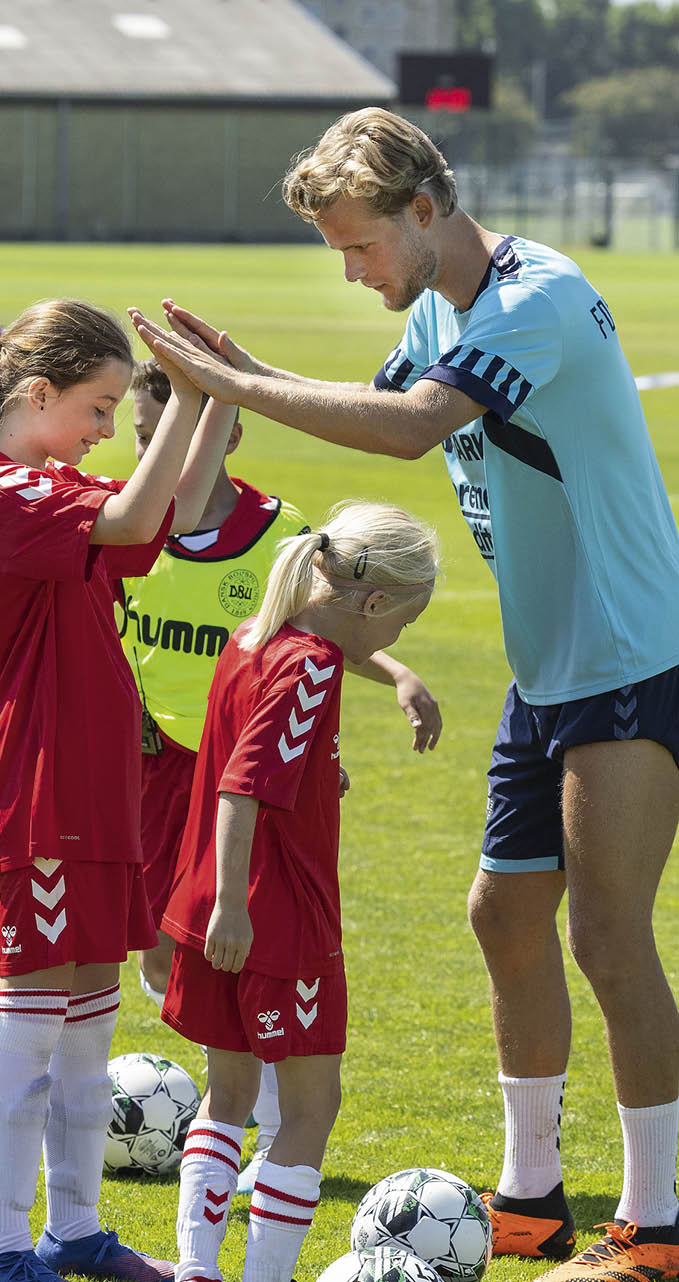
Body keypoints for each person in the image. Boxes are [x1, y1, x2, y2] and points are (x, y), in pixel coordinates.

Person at [129, 106, 679, 1282]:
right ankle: (532, 1196)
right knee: (501, 916)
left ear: (424, 210)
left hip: (631, 654)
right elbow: (374, 403)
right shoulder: (439, 300)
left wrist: (238, 380)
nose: (351, 269)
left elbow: (414, 427)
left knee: (607, 936)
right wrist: (249, 376)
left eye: (358, 243)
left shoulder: (530, 297)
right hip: (549, 666)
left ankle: (655, 1223)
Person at [122, 359, 444, 1194]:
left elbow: (312, 626)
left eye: (178, 435)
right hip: (159, 767)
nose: (158, 456)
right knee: (165, 958)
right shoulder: (129, 529)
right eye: (144, 437)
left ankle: (256, 1123)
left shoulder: (284, 532)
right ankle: (248, 1116)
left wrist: (398, 678)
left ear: (231, 431)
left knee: (220, 950)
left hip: (234, 767)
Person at [0, 299, 236, 1282]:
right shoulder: (12, 490)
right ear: (39, 393)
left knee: (92, 1010)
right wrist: (181, 391)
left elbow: (161, 511)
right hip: (37, 791)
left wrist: (217, 391)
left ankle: (76, 1228)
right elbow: (139, 510)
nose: (106, 430)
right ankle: (8, 1243)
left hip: (97, 788)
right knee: (31, 1016)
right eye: (99, 408)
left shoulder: (56, 484)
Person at [156, 500, 438, 1282]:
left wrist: (323, 763)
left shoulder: (257, 638)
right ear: (372, 600)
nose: (395, 640)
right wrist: (240, 911)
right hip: (272, 913)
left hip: (206, 897)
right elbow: (240, 791)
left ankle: (195, 1269)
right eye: (402, 626)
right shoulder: (311, 666)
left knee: (229, 1092)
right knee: (313, 1108)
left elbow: (250, 752)